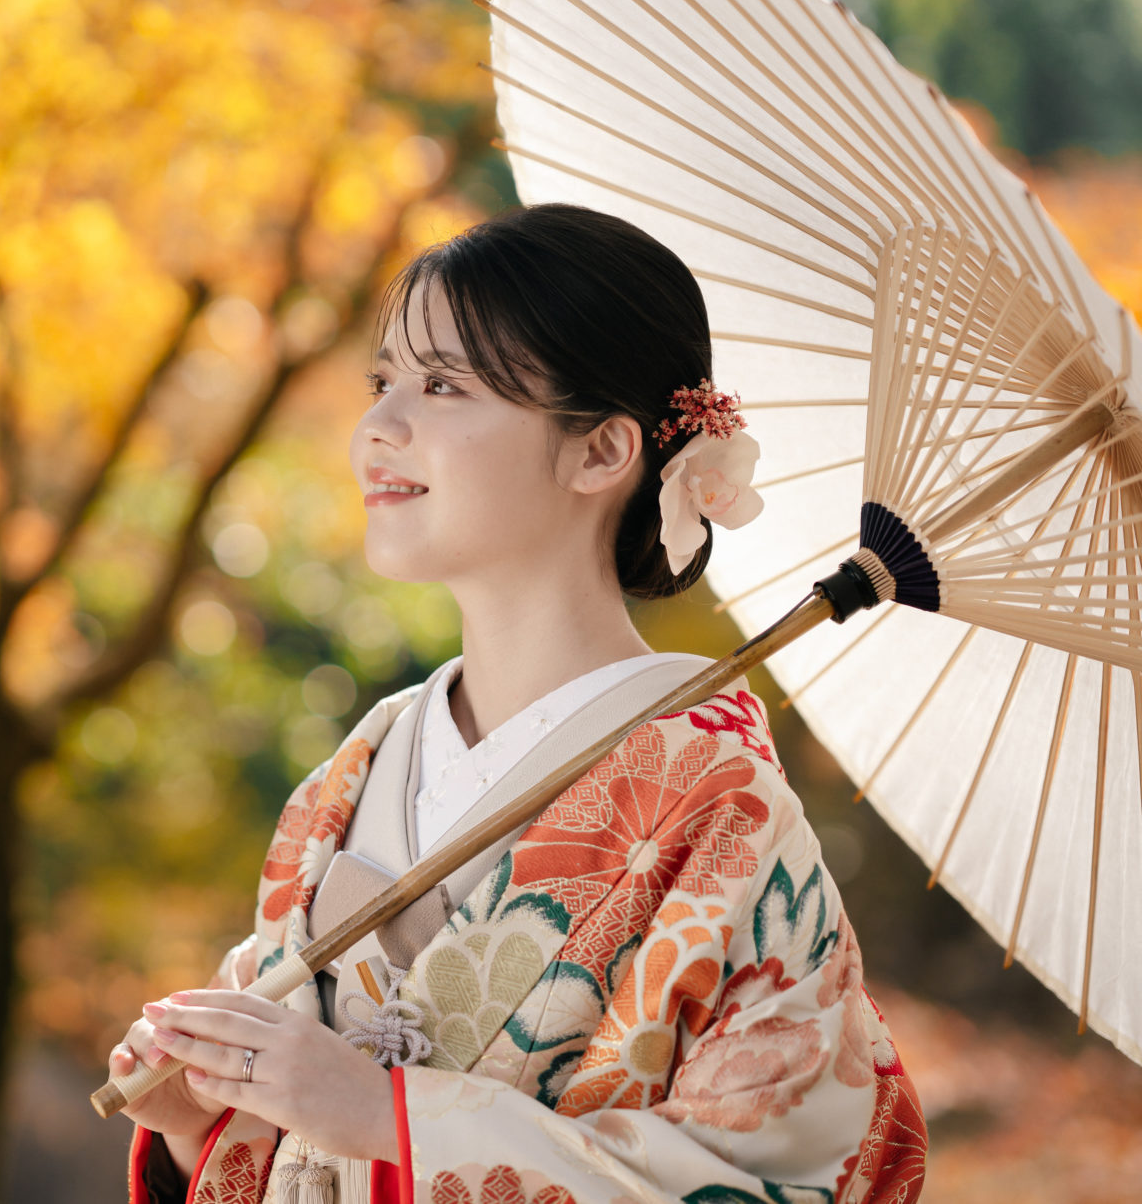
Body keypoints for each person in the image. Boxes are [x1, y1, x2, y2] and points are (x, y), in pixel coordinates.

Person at [105, 203, 928, 1203]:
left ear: (598, 452)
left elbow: (787, 1177)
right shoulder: (352, 774)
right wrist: (205, 1122)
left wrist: (384, 1116)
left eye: (443, 385)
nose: (378, 426)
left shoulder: (723, 812)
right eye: (381, 382)